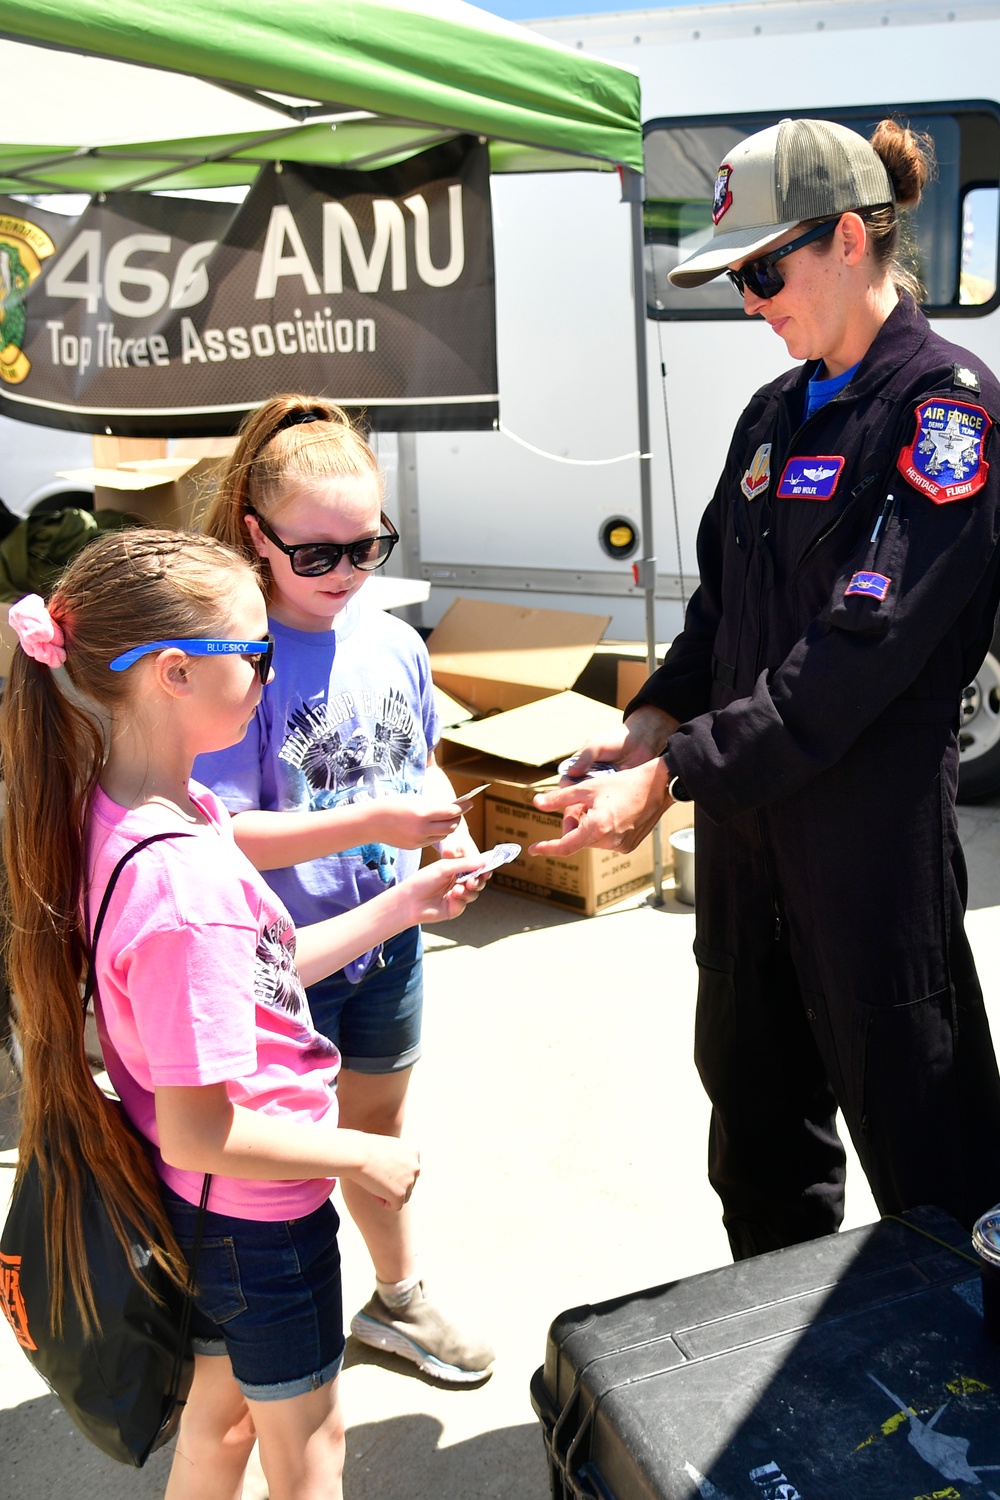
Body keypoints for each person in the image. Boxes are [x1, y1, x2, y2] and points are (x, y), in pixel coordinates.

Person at [532, 117, 1000, 1260]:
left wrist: (674, 777)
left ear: (849, 238)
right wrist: (647, 725)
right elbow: (719, 617)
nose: (747, 300)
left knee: (936, 1183)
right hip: (747, 866)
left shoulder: (947, 410)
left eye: (759, 269)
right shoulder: (770, 413)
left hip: (867, 864)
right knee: (759, 1165)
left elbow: (852, 653)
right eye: (733, 277)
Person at [0, 529, 488, 1500]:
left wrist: (397, 898)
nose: (272, 673)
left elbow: (259, 965)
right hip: (259, 1219)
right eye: (256, 654)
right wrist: (362, 1155)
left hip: (210, 1213)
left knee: (220, 1430)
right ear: (176, 673)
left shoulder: (136, 807)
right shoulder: (187, 895)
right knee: (310, 1457)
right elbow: (202, 1127)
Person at [195, 395, 495, 1382]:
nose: (346, 575)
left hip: (391, 948)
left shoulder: (394, 641)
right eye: (315, 554)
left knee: (374, 1135)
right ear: (254, 534)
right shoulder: (235, 665)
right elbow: (225, 835)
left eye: (365, 548)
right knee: (278, 1172)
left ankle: (397, 1298)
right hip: (289, 966)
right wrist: (371, 826)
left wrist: (444, 844)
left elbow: (417, 768)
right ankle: (245, 1347)